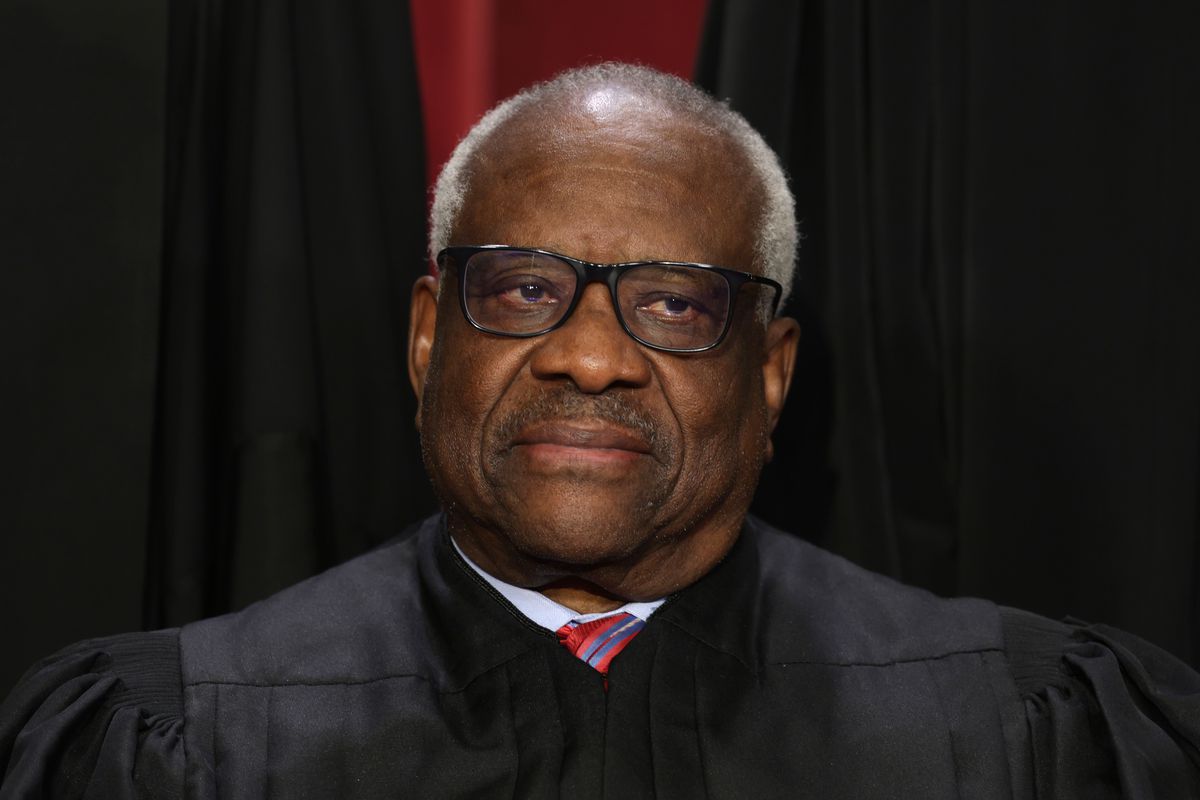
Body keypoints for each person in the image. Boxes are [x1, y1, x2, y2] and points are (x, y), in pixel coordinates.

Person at [1, 63, 1197, 799]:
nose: (589, 353)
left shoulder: (1017, 738)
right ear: (428, 340)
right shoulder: (180, 745)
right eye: (523, 288)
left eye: (676, 303)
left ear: (771, 375)